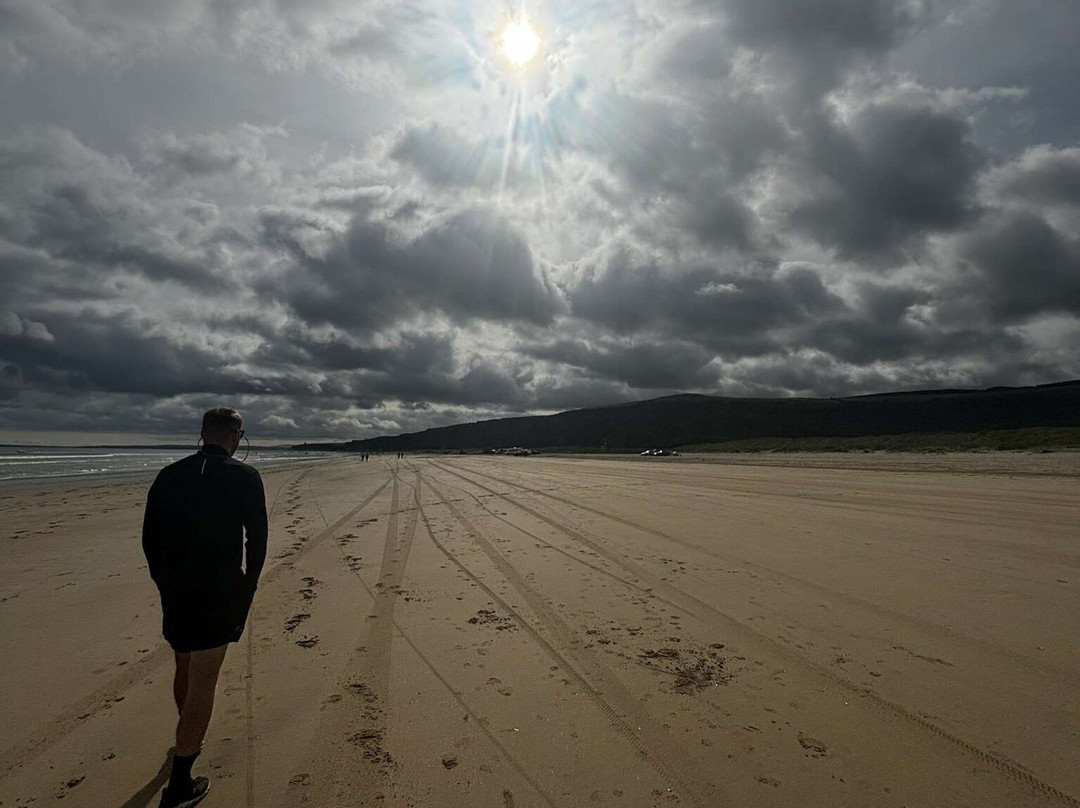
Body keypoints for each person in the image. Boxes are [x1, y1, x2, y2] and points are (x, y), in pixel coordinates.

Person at [142, 407, 268, 808]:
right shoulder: (245, 477)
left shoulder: (169, 475)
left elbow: (150, 539)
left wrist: (164, 581)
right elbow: (257, 542)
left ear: (202, 434)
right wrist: (246, 590)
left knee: (184, 665)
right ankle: (180, 780)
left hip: (176, 591)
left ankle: (185, 735)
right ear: (235, 436)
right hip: (218, 593)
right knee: (204, 679)